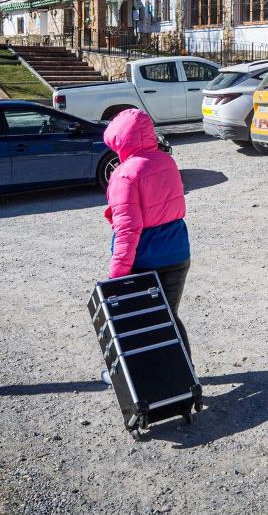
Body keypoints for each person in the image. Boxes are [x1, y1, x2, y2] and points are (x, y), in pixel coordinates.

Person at [100, 108, 192, 379]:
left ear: (120, 139)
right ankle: (186, 374)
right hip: (177, 254)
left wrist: (116, 274)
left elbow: (128, 229)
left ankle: (135, 377)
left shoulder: (125, 174)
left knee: (136, 321)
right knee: (169, 317)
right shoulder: (167, 161)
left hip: (144, 261)